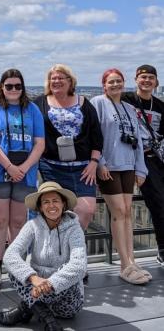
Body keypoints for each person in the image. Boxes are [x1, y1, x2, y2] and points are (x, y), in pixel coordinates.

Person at [0, 69, 45, 292]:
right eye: (9, 86)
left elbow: (40, 143)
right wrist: (10, 166)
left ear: (23, 87)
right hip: (0, 173)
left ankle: (16, 267)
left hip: (25, 174)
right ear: (2, 87)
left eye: (17, 86)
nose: (13, 90)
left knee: (18, 222)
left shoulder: (33, 109)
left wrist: (23, 168)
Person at [0, 182, 86, 331]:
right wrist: (33, 278)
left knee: (68, 271)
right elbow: (10, 255)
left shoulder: (74, 229)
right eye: (46, 202)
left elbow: (79, 266)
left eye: (55, 201)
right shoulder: (32, 225)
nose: (51, 206)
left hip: (66, 303)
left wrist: (49, 283)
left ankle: (25, 309)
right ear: (40, 207)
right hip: (36, 289)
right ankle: (47, 319)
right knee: (14, 269)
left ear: (63, 204)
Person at [90, 68, 149, 284]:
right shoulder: (97, 103)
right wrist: (100, 162)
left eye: (118, 81)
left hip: (128, 164)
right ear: (104, 85)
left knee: (127, 215)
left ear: (124, 84)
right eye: (110, 82)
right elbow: (93, 135)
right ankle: (124, 264)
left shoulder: (130, 108)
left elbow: (139, 141)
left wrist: (141, 169)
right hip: (109, 166)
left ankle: (132, 261)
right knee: (120, 212)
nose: (115, 85)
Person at [34, 64, 103, 231]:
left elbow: (97, 136)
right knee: (55, 212)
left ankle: (73, 248)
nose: (56, 81)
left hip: (83, 168)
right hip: (51, 166)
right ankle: (60, 254)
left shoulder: (84, 103)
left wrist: (94, 162)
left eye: (61, 78)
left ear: (70, 81)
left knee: (86, 210)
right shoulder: (39, 103)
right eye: (53, 78)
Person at [122, 64, 164, 268]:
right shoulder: (126, 101)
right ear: (136, 80)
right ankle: (163, 249)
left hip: (156, 158)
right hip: (137, 157)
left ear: (156, 82)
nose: (147, 81)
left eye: (151, 78)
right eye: (143, 77)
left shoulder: (160, 106)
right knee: (158, 201)